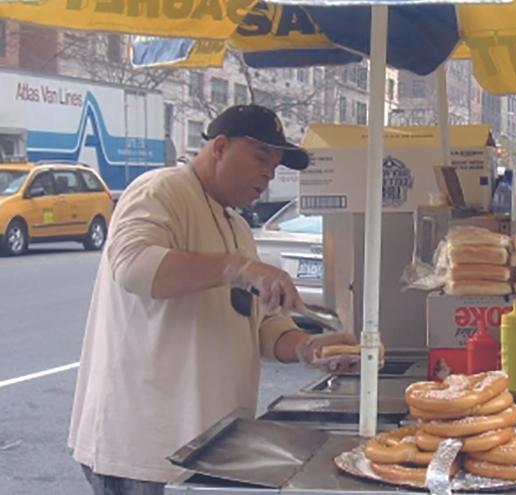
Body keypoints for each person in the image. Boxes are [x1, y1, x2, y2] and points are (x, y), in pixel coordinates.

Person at [69, 105, 358, 494]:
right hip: (146, 453)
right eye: (261, 158)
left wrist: (308, 347)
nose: (268, 174)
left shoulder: (236, 225)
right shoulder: (161, 189)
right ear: (219, 147)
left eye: (275, 165)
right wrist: (237, 269)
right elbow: (133, 266)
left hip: (214, 449)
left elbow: (259, 323)